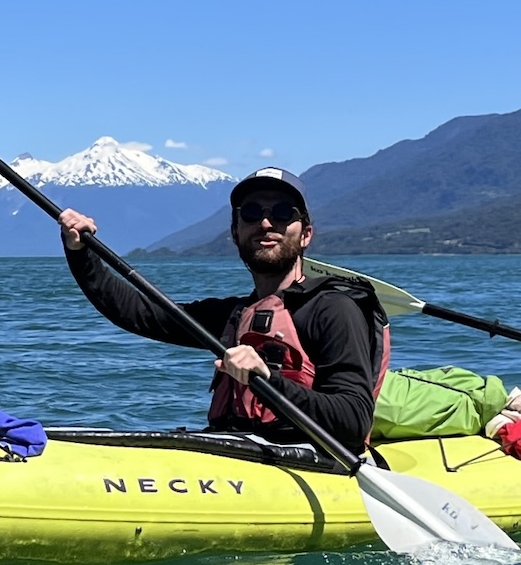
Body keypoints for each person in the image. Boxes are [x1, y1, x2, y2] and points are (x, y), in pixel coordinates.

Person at [57, 168, 387, 452]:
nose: (266, 223)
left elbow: (353, 421)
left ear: (306, 235)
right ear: (235, 233)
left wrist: (269, 380)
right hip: (236, 451)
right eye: (251, 213)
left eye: (283, 212)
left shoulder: (333, 309)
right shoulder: (236, 314)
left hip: (304, 462)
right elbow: (138, 313)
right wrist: (80, 252)